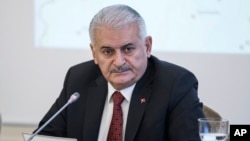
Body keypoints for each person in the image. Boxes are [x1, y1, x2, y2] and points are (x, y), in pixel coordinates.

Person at [35, 4, 205, 141]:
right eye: (108, 52)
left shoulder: (176, 85)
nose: (119, 62)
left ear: (147, 47)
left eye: (128, 49)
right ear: (94, 53)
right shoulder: (78, 79)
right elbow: (44, 137)